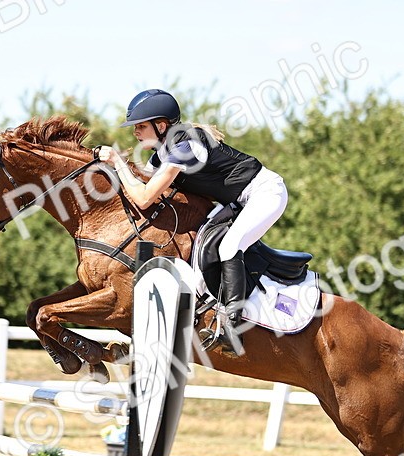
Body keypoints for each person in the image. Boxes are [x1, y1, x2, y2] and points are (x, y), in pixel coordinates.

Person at [98, 89, 289, 354]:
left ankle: (233, 329)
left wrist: (118, 163)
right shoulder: (161, 155)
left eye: (141, 126)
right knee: (200, 246)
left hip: (265, 193)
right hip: (235, 203)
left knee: (229, 246)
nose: (135, 132)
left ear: (161, 126)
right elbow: (139, 185)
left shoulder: (186, 147)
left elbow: (144, 198)